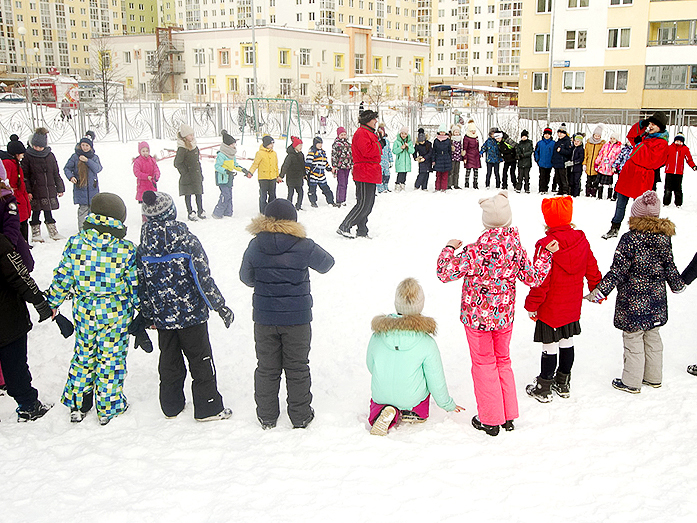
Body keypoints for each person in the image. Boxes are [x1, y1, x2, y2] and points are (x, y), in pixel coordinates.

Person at [436, 192, 557, 436]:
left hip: (477, 318)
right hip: (503, 316)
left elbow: (444, 272)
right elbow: (533, 278)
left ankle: (490, 418)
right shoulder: (515, 248)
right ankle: (507, 415)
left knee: (483, 364)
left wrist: (449, 248)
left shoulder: (475, 250)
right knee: (503, 361)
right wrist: (546, 256)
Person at [137, 190, 234, 421]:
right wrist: (219, 306)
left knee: (169, 360)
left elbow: (142, 285)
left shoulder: (143, 247)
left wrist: (148, 315)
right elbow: (202, 278)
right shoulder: (187, 241)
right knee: (200, 359)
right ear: (171, 212)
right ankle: (208, 407)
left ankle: (170, 405)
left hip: (163, 318)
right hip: (192, 316)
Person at [240, 198, 334, 429]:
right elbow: (327, 263)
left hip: (264, 319)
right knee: (297, 367)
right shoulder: (302, 244)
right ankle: (300, 416)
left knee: (267, 368)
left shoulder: (255, 245)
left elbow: (245, 277)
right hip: (297, 320)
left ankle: (267, 415)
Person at [46, 193, 137, 425]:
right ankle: (108, 407)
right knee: (111, 358)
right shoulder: (126, 248)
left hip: (85, 310)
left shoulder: (76, 243)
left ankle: (78, 404)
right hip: (116, 312)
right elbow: (135, 284)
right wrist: (144, 311)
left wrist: (53, 302)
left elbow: (63, 275)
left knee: (84, 354)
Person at [586, 190, 684, 393]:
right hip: (656, 300)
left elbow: (617, 271)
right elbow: (669, 265)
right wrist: (677, 284)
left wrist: (600, 292)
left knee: (633, 338)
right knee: (653, 336)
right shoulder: (664, 239)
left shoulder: (630, 239)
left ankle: (631, 381)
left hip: (633, 301)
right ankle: (653, 377)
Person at [524, 196, 601, 402]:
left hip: (550, 306)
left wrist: (532, 304)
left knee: (549, 345)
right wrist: (597, 289)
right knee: (567, 341)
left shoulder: (546, 245)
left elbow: (541, 279)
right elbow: (591, 267)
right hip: (571, 303)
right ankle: (563, 382)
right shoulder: (581, 239)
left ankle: (544, 386)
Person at [366, 278, 464, 436]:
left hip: (381, 394)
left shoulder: (378, 335)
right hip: (411, 397)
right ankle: (414, 413)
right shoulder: (426, 341)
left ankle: (383, 412)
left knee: (378, 401)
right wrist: (447, 404)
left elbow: (370, 365)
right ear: (420, 305)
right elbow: (435, 379)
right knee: (421, 389)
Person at [0, 231, 53, 421]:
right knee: (14, 364)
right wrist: (40, 303)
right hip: (6, 317)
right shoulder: (1, 244)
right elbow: (19, 275)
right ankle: (28, 404)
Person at [602, 111, 669, 239]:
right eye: (649, 123)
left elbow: (650, 160)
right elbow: (631, 136)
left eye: (653, 124)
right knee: (620, 204)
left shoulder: (662, 143)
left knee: (640, 207)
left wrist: (639, 144)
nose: (650, 126)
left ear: (660, 127)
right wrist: (641, 124)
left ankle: (638, 232)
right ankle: (614, 228)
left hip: (642, 178)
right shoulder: (645, 136)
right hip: (628, 175)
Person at [337, 110, 381, 239]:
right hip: (364, 171)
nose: (376, 121)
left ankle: (362, 230)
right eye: (374, 119)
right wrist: (379, 145)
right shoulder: (361, 133)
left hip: (369, 171)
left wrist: (379, 141)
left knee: (368, 203)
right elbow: (367, 151)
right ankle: (345, 226)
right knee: (363, 204)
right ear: (368, 120)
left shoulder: (368, 133)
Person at [21, 127, 65, 243]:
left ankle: (53, 232)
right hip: (35, 189)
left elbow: (55, 172)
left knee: (48, 210)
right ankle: (36, 233)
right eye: (36, 146)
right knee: (36, 211)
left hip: (48, 188)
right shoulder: (28, 156)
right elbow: (25, 175)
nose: (38, 149)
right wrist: (28, 191)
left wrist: (60, 187)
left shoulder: (50, 155)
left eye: (40, 147)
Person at [64, 136, 102, 231]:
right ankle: (82, 229)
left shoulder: (94, 157)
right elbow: (67, 168)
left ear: (91, 146)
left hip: (93, 189)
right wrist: (71, 177)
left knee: (93, 210)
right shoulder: (75, 157)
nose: (85, 147)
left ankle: (93, 228)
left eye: (87, 145)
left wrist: (87, 161)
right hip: (80, 188)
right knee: (83, 210)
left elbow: (98, 168)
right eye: (83, 145)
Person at [212, 130, 248, 219]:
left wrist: (242, 170)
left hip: (229, 178)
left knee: (229, 195)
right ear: (227, 145)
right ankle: (217, 213)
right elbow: (217, 166)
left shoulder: (232, 154)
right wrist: (226, 171)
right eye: (232, 144)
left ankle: (228, 212)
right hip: (222, 178)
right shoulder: (221, 155)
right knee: (225, 195)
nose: (234, 146)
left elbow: (235, 165)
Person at [1, 135, 30, 242]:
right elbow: (6, 180)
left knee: (23, 221)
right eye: (21, 154)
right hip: (15, 197)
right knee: (18, 222)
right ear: (16, 154)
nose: (23, 156)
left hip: (20, 196)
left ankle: (25, 242)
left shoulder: (15, 163)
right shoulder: (8, 163)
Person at [174, 123, 205, 221]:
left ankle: (200, 210)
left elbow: (197, 161)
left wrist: (200, 173)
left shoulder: (194, 146)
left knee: (198, 193)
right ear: (184, 136)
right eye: (190, 135)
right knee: (188, 194)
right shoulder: (182, 148)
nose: (192, 137)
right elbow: (177, 163)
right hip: (187, 176)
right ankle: (190, 211)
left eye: (193, 134)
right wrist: (184, 172)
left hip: (196, 174)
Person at [247, 135, 281, 214]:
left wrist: (277, 176)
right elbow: (255, 164)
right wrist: (250, 172)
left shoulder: (274, 153)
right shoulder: (260, 153)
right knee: (263, 195)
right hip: (263, 178)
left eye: (273, 143)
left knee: (272, 195)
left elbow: (276, 165)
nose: (272, 145)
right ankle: (263, 211)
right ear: (266, 144)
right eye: (270, 144)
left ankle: (272, 210)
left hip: (272, 177)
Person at [662, 133, 696, 207]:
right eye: (677, 141)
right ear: (674, 141)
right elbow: (664, 158)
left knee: (678, 189)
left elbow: (689, 159)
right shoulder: (669, 148)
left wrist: (693, 166)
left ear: (683, 142)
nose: (678, 142)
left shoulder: (685, 149)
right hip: (669, 171)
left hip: (679, 172)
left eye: (680, 141)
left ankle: (678, 203)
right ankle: (666, 203)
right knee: (668, 188)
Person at [305, 136, 338, 207]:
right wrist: (306, 173)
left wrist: (330, 169)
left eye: (321, 143)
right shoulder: (312, 152)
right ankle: (313, 202)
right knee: (312, 190)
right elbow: (308, 163)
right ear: (315, 144)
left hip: (321, 176)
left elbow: (325, 163)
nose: (320, 145)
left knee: (326, 189)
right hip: (313, 175)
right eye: (318, 143)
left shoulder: (323, 152)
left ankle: (331, 201)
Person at [594, 132, 622, 200]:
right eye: (611, 138)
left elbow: (618, 158)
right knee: (601, 181)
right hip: (603, 166)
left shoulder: (618, 148)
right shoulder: (605, 145)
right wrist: (597, 162)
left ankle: (609, 195)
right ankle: (599, 195)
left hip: (610, 167)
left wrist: (615, 166)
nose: (612, 140)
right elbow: (601, 154)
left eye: (614, 139)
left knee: (609, 182)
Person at [281, 136, 306, 211]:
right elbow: (285, 166)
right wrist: (281, 176)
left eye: (301, 145)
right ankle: (289, 207)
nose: (301, 147)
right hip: (291, 178)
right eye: (299, 145)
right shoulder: (290, 156)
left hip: (299, 177)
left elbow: (303, 165)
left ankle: (298, 206)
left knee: (301, 192)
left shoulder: (301, 155)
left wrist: (304, 174)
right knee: (290, 193)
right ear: (295, 146)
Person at [331, 127, 352, 204]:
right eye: (341, 135)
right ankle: (340, 199)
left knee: (345, 183)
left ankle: (343, 198)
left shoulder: (348, 144)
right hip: (340, 167)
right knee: (341, 183)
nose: (343, 136)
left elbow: (351, 154)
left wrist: (352, 164)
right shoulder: (336, 144)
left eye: (344, 134)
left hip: (347, 166)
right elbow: (334, 155)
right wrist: (334, 166)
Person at [583, 125, 606, 197]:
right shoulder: (588, 144)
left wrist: (599, 164)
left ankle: (593, 192)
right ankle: (587, 192)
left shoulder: (601, 145)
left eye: (598, 136)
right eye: (595, 135)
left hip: (596, 166)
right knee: (588, 180)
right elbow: (585, 154)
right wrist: (584, 163)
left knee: (595, 180)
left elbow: (602, 155)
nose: (597, 137)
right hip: (589, 165)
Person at [551, 124, 572, 195]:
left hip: (563, 163)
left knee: (563, 178)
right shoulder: (558, 141)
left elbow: (569, 152)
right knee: (558, 177)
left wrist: (561, 150)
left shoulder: (567, 141)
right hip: (557, 162)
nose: (559, 134)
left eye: (561, 133)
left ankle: (565, 190)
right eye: (558, 133)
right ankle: (560, 190)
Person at [392, 126, 414, 192]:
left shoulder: (409, 142)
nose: (403, 135)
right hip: (400, 161)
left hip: (406, 161)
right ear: (400, 134)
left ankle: (403, 184)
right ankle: (398, 184)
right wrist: (401, 148)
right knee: (400, 173)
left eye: (405, 134)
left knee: (405, 173)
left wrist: (408, 147)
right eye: (402, 133)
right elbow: (394, 151)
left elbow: (412, 151)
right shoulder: (397, 142)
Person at [432, 124, 452, 192]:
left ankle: (443, 188)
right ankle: (437, 187)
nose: (442, 133)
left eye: (443, 132)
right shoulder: (436, 140)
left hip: (446, 159)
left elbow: (450, 151)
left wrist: (449, 158)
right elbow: (433, 151)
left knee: (445, 175)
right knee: (438, 175)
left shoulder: (447, 140)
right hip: (438, 158)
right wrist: (433, 160)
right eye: (441, 132)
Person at [534, 127, 555, 194]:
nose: (547, 135)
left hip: (549, 163)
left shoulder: (553, 143)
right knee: (542, 176)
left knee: (547, 176)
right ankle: (541, 189)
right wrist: (537, 159)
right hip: (542, 162)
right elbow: (536, 152)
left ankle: (546, 188)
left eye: (548, 134)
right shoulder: (540, 143)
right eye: (545, 134)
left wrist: (553, 161)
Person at [462, 120, 481, 189]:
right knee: (468, 170)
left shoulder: (476, 137)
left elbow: (477, 146)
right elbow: (464, 148)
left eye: (474, 130)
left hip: (476, 156)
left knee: (476, 170)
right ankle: (466, 183)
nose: (473, 132)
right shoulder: (466, 138)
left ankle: (475, 183)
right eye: (472, 130)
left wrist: (479, 154)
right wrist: (464, 157)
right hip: (469, 155)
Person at [376, 123, 393, 193]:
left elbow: (389, 151)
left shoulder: (387, 142)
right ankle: (380, 188)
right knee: (380, 175)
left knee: (387, 174)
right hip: (379, 161)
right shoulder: (376, 141)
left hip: (386, 161)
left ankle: (386, 186)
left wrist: (391, 160)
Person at [449, 124, 463, 189]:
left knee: (457, 171)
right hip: (452, 157)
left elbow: (462, 147)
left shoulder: (460, 139)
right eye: (455, 132)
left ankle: (456, 184)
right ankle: (449, 184)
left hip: (458, 157)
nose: (457, 133)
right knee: (451, 171)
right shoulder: (451, 140)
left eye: (458, 132)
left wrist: (462, 152)